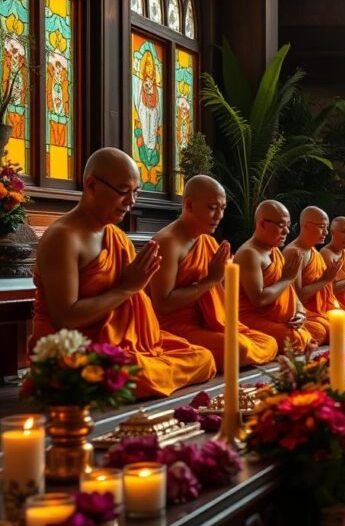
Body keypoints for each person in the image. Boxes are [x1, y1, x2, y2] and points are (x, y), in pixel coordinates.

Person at [30, 148, 215, 398]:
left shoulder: (115, 236)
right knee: (139, 373)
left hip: (120, 345)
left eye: (136, 192)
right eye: (123, 191)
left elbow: (133, 307)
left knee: (203, 358)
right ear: (92, 185)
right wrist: (128, 288)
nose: (131, 201)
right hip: (74, 351)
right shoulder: (63, 237)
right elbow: (65, 318)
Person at [149, 175, 277, 370]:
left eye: (223, 208)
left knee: (269, 341)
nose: (219, 216)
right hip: (173, 327)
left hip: (206, 323)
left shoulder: (207, 241)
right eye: (212, 208)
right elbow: (163, 304)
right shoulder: (168, 243)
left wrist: (222, 279)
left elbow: (218, 297)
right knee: (240, 349)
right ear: (189, 205)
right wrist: (210, 280)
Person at [236, 200, 316, 352]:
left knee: (313, 331)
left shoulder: (275, 251)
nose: (286, 231)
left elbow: (289, 291)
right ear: (262, 224)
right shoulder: (249, 254)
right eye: (281, 225)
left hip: (279, 319)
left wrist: (300, 313)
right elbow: (259, 299)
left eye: (288, 225)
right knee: (296, 339)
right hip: (252, 319)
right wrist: (287, 278)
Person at [285, 207, 345, 344]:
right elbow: (298, 295)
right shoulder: (294, 253)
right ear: (306, 226)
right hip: (302, 312)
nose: (326, 232)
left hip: (321, 311)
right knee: (323, 331)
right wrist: (325, 279)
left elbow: (327, 293)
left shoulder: (314, 252)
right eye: (322, 227)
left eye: (326, 227)